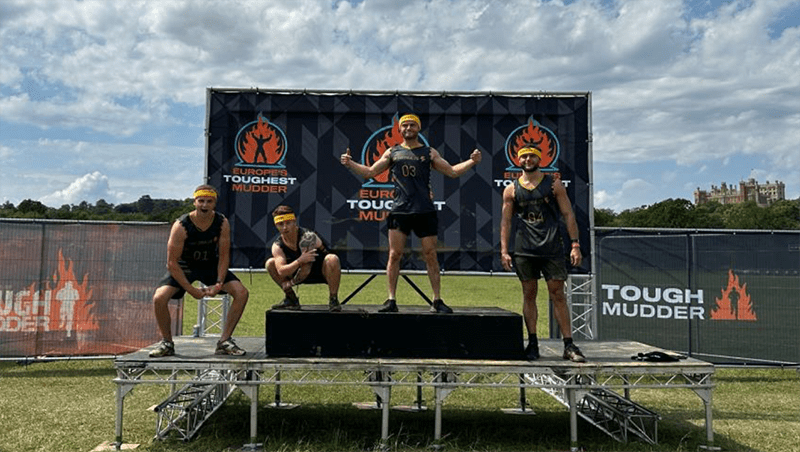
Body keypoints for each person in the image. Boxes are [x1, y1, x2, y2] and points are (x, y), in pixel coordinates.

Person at [340, 113, 481, 313]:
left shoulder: (429, 152)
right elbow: (370, 172)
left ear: (418, 128)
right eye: (405, 125)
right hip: (400, 210)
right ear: (400, 130)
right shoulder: (392, 151)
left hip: (425, 210)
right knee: (394, 254)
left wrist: (472, 161)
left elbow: (452, 172)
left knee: (430, 254)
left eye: (412, 125)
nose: (408, 128)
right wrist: (350, 163)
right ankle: (391, 300)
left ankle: (437, 301)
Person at [500, 146, 586, 363]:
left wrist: (575, 244)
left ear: (540, 158)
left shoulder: (554, 184)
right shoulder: (511, 189)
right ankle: (533, 343)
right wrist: (504, 251)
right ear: (518, 160)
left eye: (531, 156)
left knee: (558, 295)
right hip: (524, 250)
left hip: (552, 249)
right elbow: (506, 222)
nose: (528, 159)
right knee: (529, 294)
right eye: (524, 156)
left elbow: (568, 214)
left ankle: (568, 344)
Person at [149, 185, 249, 357]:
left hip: (210, 265)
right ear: (194, 202)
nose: (204, 205)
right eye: (201, 201)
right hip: (184, 267)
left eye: (209, 201)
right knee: (159, 297)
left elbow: (224, 256)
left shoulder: (222, 222)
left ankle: (224, 341)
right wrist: (191, 290)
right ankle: (167, 342)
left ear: (214, 203)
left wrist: (218, 283)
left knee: (241, 293)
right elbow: (172, 263)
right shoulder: (181, 225)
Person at [266, 205, 342, 312]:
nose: (284, 227)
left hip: (321, 271)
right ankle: (291, 298)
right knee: (270, 263)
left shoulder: (307, 237)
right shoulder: (277, 245)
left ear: (294, 221)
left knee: (332, 259)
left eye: (288, 223)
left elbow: (306, 270)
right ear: (275, 225)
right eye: (280, 224)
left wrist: (290, 283)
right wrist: (300, 260)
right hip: (297, 270)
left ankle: (333, 300)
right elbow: (281, 271)